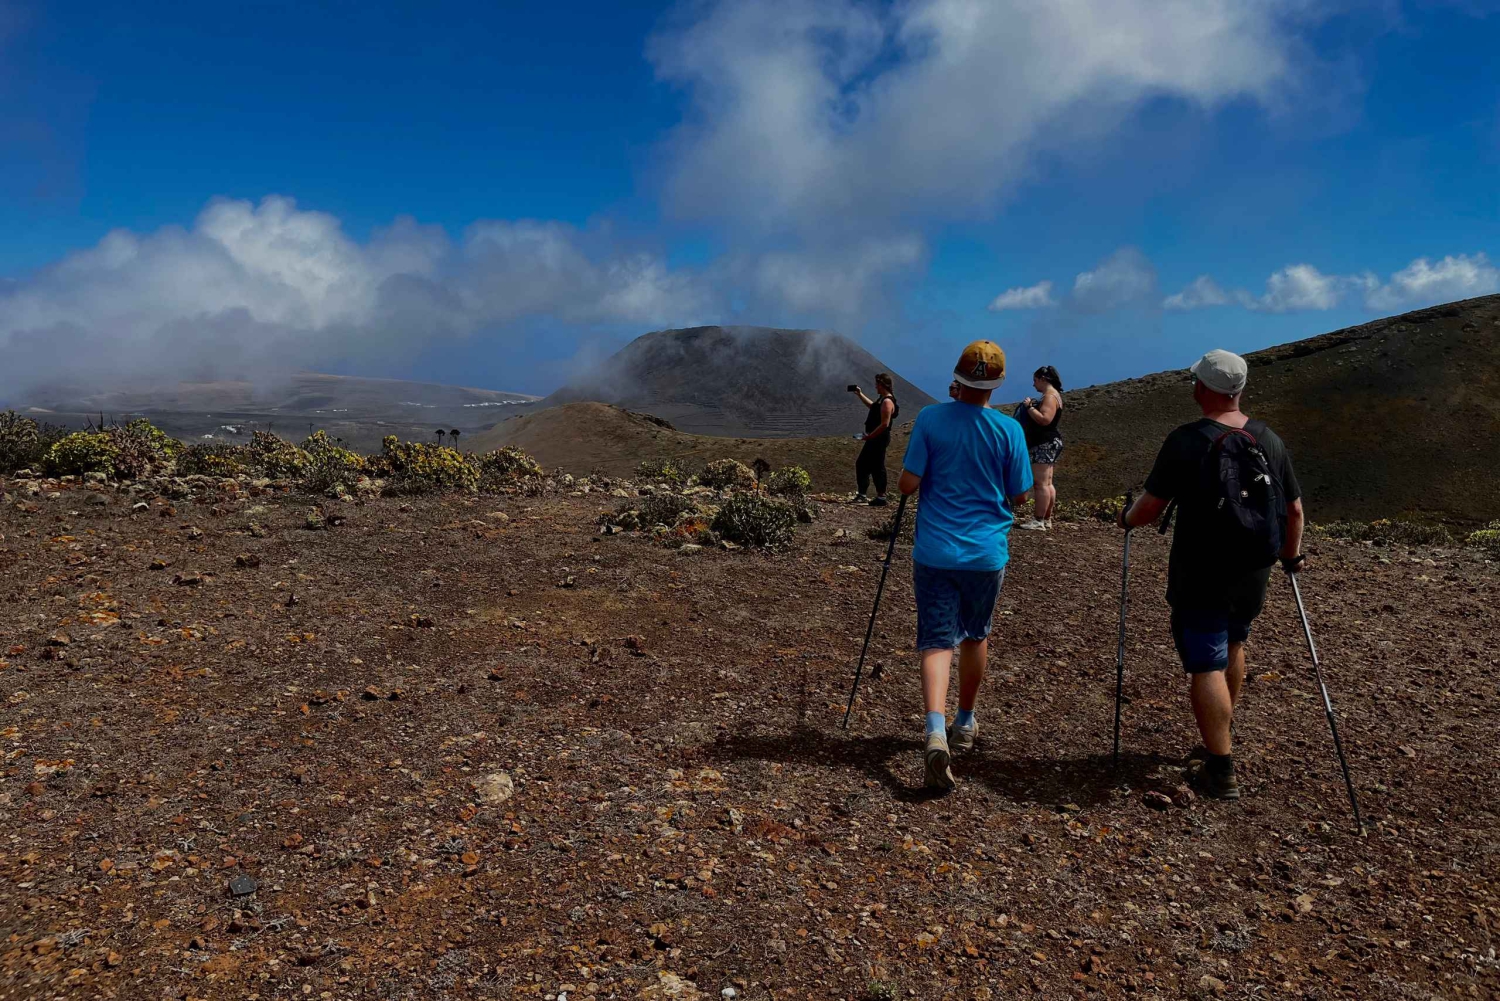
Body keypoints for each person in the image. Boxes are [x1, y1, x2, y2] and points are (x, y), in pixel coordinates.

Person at [1118, 349, 1305, 800]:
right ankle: (1215, 737)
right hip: (1254, 569)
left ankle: (1220, 769)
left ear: (1202, 388)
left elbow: (1149, 509)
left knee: (1205, 662)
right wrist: (1291, 558)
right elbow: (1294, 510)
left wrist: (1126, 518)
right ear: (1239, 390)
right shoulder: (1269, 439)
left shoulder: (1187, 440)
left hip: (1202, 568)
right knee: (1234, 641)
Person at [898, 341, 1032, 792]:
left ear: (958, 377)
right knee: (976, 635)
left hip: (935, 551)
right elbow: (1020, 495)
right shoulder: (1010, 430)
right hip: (985, 554)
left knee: (936, 642)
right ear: (997, 382)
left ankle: (934, 731)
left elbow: (907, 483)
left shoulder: (931, 419)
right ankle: (966, 721)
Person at [1017, 366, 1064, 531]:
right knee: (1048, 482)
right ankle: (1046, 518)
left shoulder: (1050, 397)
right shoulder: (1054, 396)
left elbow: (1045, 419)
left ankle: (1038, 520)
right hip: (1051, 442)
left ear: (1043, 379)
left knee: (1040, 483)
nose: (1034, 384)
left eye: (1035, 380)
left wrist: (1029, 407)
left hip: (1044, 442)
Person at [849, 373, 899, 506]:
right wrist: (860, 394)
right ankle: (865, 494)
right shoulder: (882, 400)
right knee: (865, 464)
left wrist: (870, 436)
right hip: (875, 437)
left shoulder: (887, 401)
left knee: (876, 466)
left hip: (879, 438)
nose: (875, 386)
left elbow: (884, 424)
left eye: (877, 384)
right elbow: (873, 407)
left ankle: (879, 496)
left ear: (882, 385)